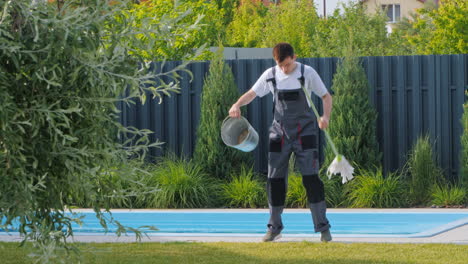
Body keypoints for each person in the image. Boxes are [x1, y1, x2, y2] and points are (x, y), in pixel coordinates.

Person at [228, 43, 333, 242]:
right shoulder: (270, 75)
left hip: (305, 134)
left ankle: (323, 228)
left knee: (312, 180)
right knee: (274, 181)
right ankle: (274, 228)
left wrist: (325, 117)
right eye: (280, 65)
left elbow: (326, 97)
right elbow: (252, 93)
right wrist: (236, 104)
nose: (284, 69)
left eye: (286, 64)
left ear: (294, 57)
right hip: (279, 134)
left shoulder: (307, 72)